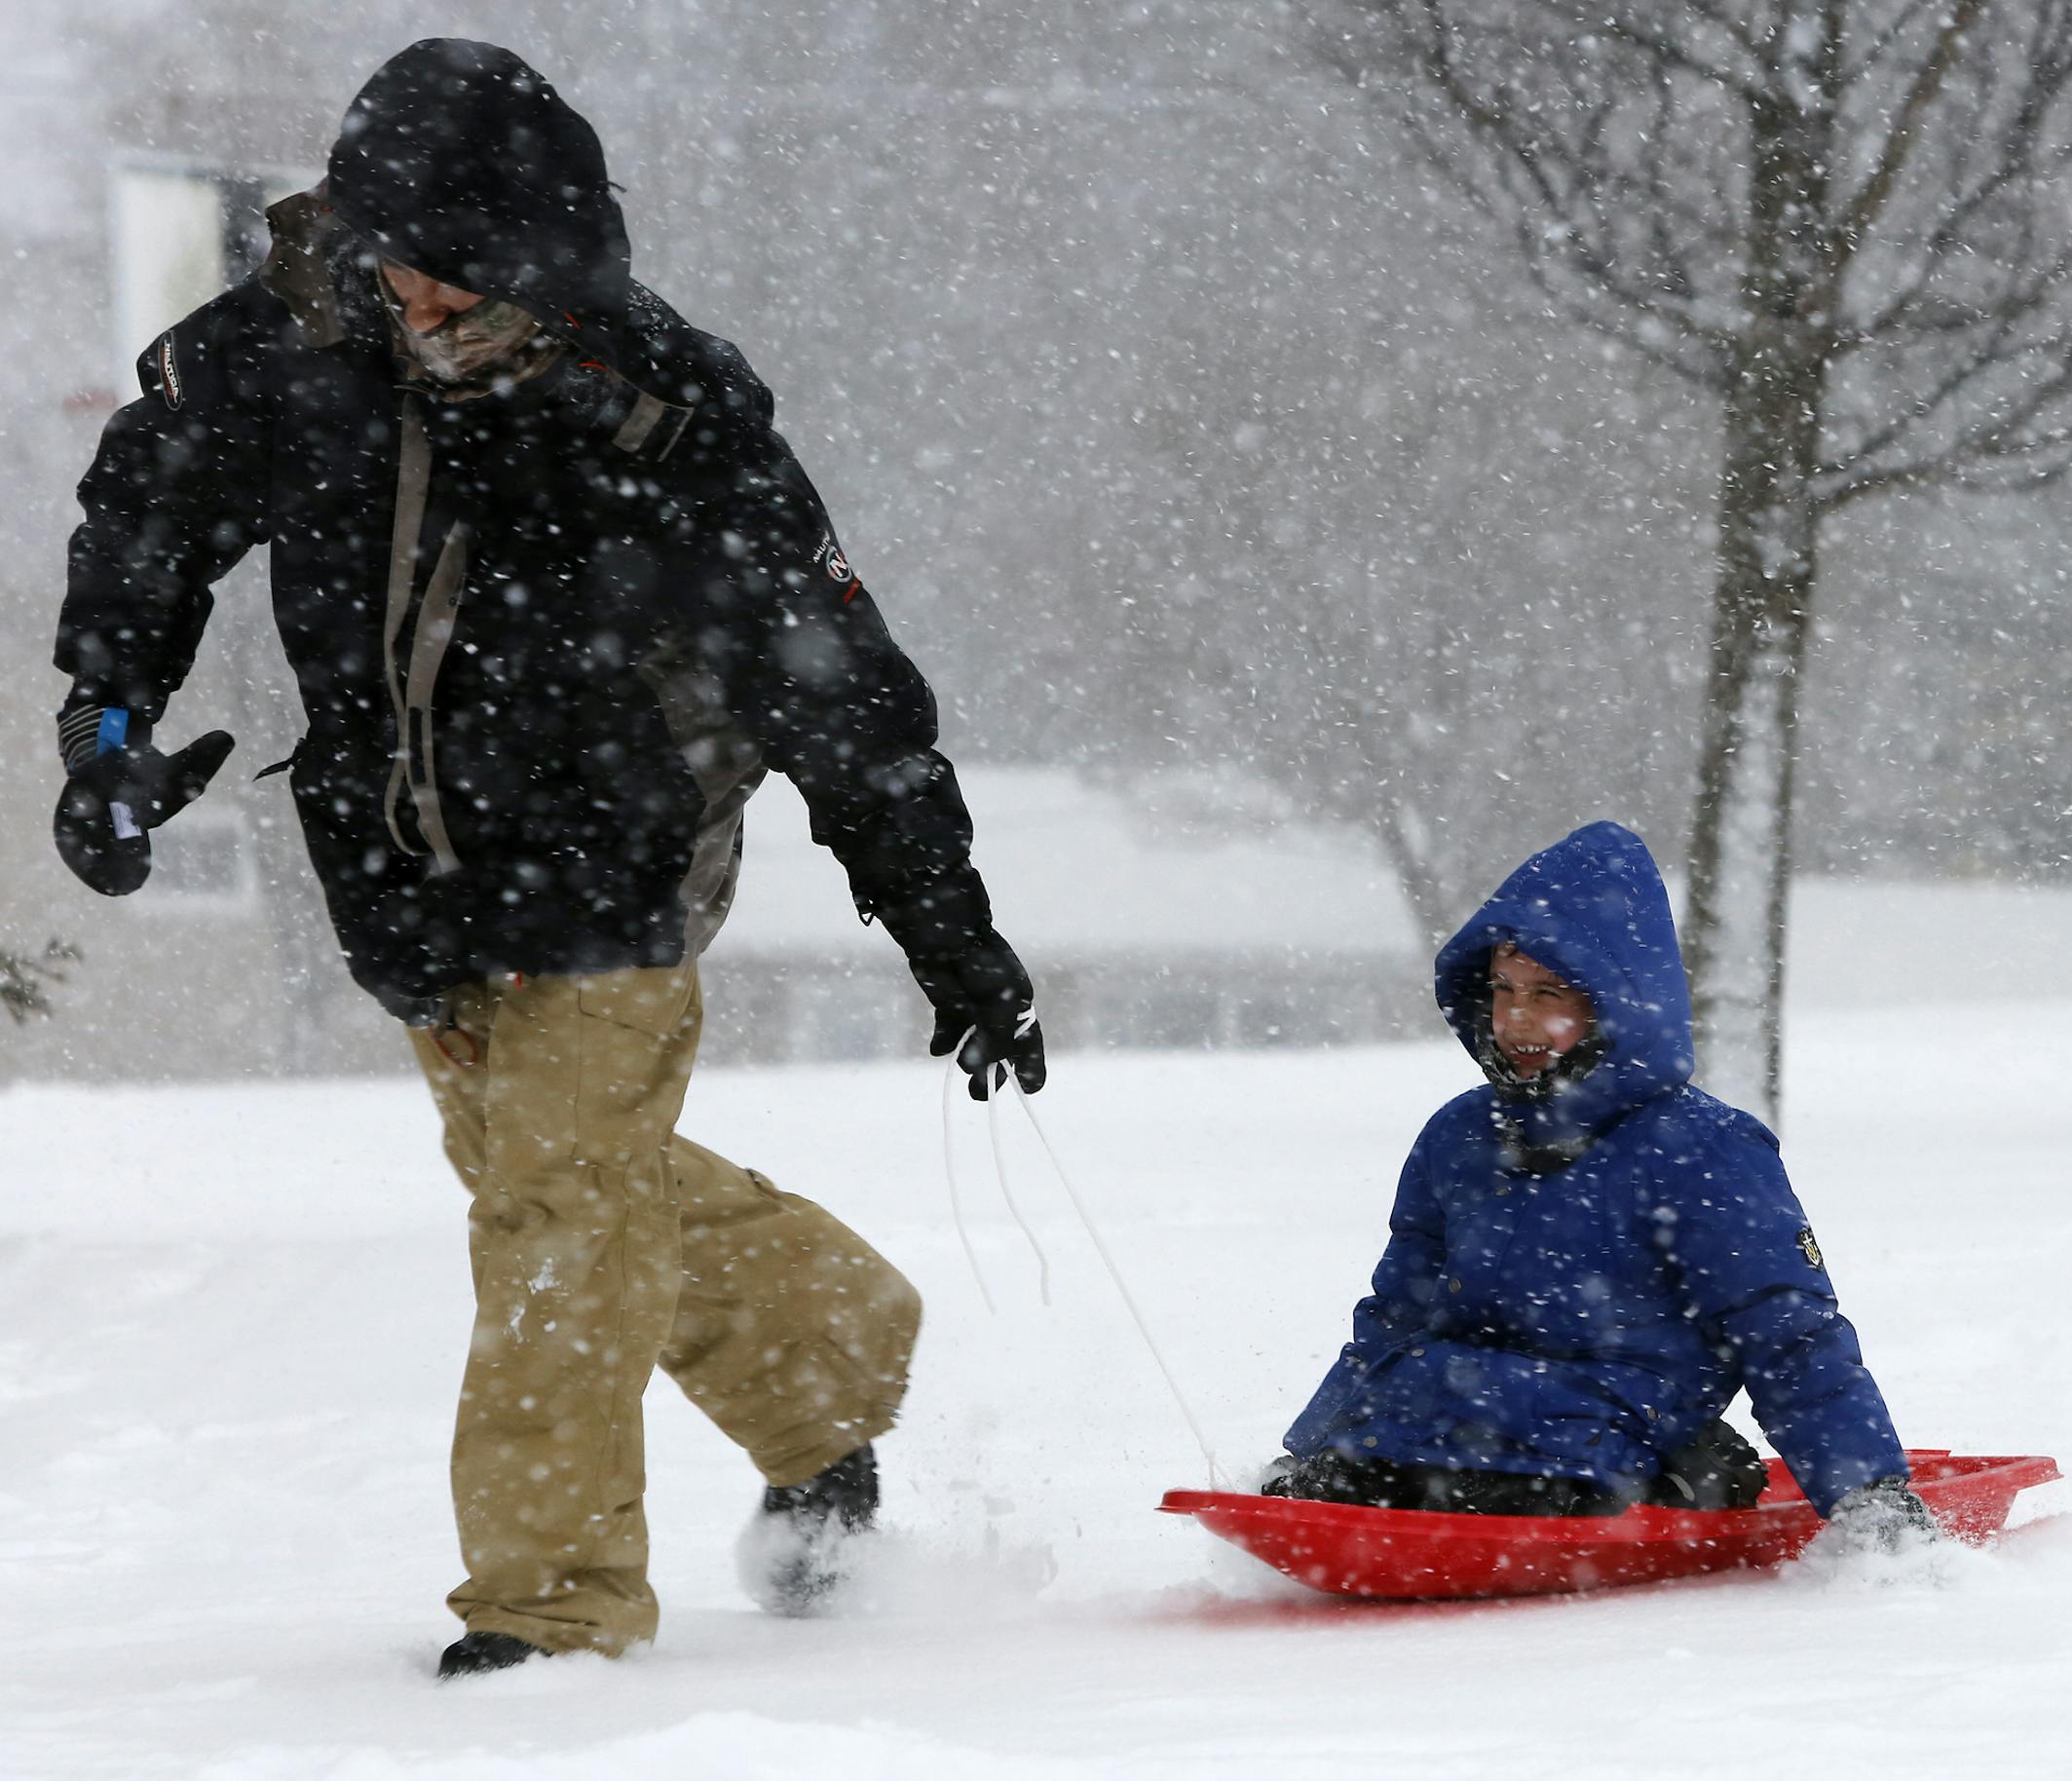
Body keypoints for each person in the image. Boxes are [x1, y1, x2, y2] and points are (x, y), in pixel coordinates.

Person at [52, 39, 1046, 1676]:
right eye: (404, 293)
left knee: (558, 1218)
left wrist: (949, 926)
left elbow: (840, 687)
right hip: (397, 873)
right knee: (568, 1186)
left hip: (615, 862)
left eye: (468, 303)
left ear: (553, 274)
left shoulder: (671, 412)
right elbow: (145, 521)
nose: (427, 330)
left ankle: (551, 1610)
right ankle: (825, 1354)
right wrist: (104, 738)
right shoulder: (289, 348)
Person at [1263, 822, 1933, 1547]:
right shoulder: (1460, 1138)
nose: (1517, 1019)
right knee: (1367, 1465)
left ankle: (1687, 1474)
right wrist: (1312, 1449)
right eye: (1503, 989)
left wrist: (1869, 1493)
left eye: (1549, 993)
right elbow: (1399, 1311)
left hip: (1612, 1429)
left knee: (1516, 1478)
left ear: (1615, 1002)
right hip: (1447, 1414)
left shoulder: (1703, 1149)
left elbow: (1786, 1331)